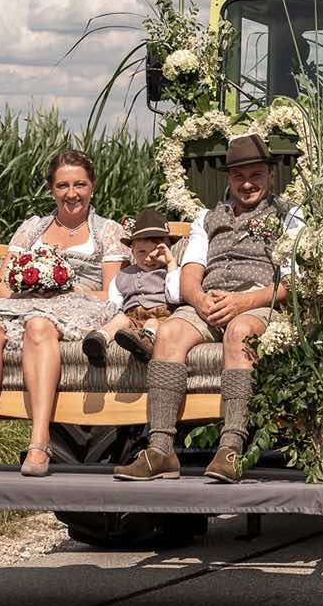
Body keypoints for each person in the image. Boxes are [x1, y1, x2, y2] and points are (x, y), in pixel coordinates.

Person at [114, 134, 300, 484]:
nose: (247, 184)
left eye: (255, 175)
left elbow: (292, 284)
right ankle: (160, 450)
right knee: (168, 332)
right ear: (228, 178)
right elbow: (190, 272)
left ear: (270, 176)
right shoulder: (207, 218)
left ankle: (230, 447)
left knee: (239, 331)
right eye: (238, 176)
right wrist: (199, 300)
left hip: (258, 302)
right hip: (210, 301)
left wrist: (246, 301)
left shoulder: (289, 217)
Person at [0, 149, 127, 477]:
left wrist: (70, 290)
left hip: (80, 306)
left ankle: (40, 441)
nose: (72, 194)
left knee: (39, 326)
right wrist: (31, 286)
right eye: (62, 186)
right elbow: (0, 286)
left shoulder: (107, 231)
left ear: (93, 185)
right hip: (26, 301)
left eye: (80, 185)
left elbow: (113, 293)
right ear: (51, 189)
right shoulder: (32, 229)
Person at [82, 208, 182, 363]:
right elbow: (114, 304)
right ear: (133, 252)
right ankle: (99, 340)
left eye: (156, 252)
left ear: (168, 250)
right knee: (120, 320)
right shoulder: (122, 276)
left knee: (152, 323)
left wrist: (171, 263)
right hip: (132, 317)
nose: (149, 258)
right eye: (142, 252)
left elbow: (175, 297)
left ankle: (145, 344)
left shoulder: (174, 271)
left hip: (163, 317)